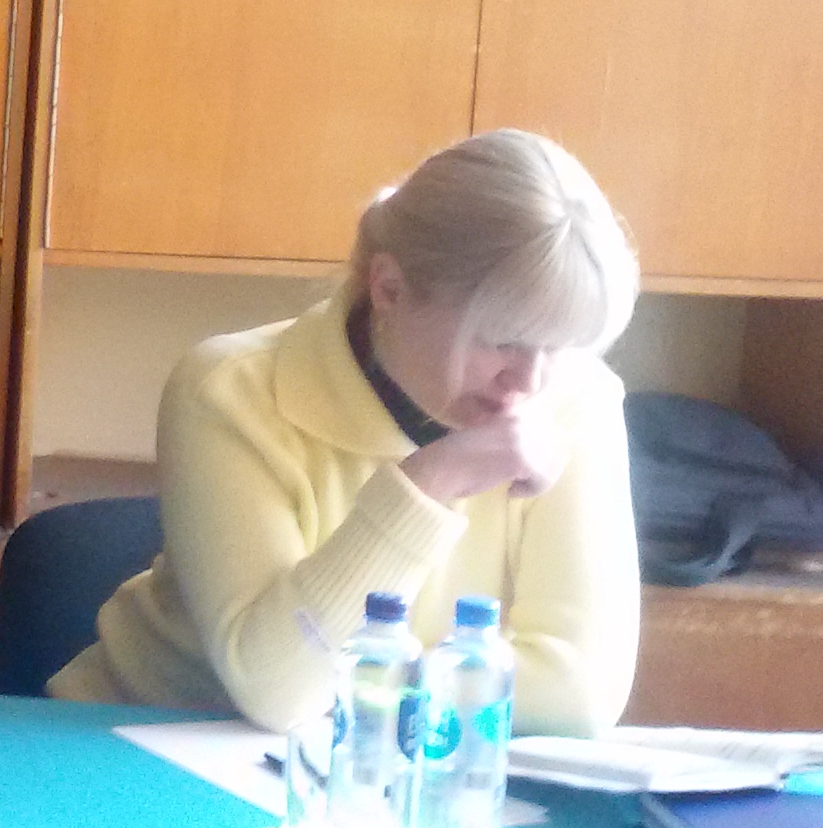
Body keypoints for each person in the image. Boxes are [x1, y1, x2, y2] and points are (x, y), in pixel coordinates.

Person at [49, 129, 643, 736]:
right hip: (130, 741)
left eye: (561, 345)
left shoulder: (580, 402)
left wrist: (367, 689)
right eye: (503, 340)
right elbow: (279, 690)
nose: (531, 381)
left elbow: (582, 696)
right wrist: (432, 484)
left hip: (369, 759)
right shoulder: (229, 390)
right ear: (389, 288)